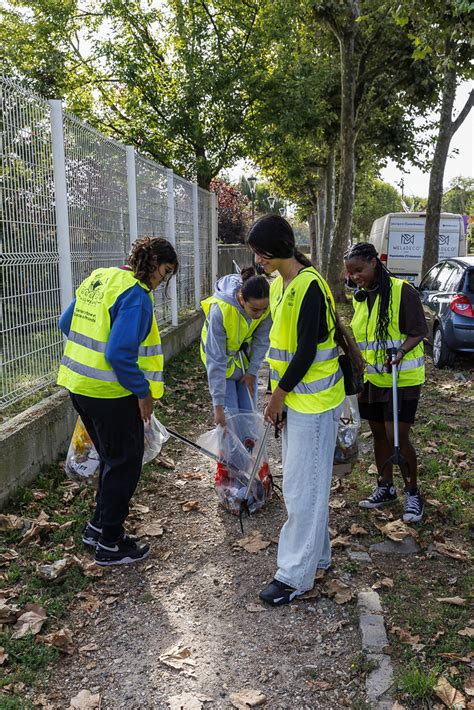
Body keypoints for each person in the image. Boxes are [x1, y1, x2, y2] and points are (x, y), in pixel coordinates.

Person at [57, 237, 178, 566]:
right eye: (165, 272)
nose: (162, 280)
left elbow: (65, 323)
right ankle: (110, 542)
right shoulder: (137, 295)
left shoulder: (100, 277)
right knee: (125, 462)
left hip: (77, 385)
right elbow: (119, 354)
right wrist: (142, 392)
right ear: (153, 262)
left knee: (111, 459)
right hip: (110, 393)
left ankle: (97, 527)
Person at [247, 214, 346, 606]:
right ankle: (317, 558)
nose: (258, 261)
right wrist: (277, 394)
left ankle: (294, 576)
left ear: (279, 247)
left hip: (316, 404)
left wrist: (277, 396)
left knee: (304, 491)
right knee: (307, 486)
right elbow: (280, 346)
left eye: (261, 252)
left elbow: (305, 350)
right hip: (296, 402)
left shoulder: (309, 286)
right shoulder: (278, 286)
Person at [344, 242, 427, 522]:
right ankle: (385, 487)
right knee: (379, 435)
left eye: (359, 270)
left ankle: (413, 493)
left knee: (397, 437)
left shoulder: (402, 291)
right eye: (351, 273)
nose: (355, 276)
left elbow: (419, 330)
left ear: (374, 262)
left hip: (401, 379)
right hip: (373, 379)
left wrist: (401, 352)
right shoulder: (363, 297)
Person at [200, 266, 271, 427]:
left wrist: (253, 371)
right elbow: (216, 360)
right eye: (254, 310)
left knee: (248, 418)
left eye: (264, 310)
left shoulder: (266, 305)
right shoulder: (221, 311)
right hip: (220, 363)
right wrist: (218, 407)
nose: (259, 314)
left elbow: (262, 340)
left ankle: (247, 449)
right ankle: (228, 451)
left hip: (242, 359)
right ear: (241, 298)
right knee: (229, 419)